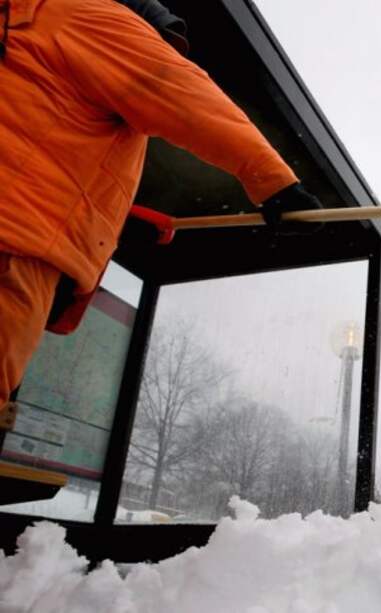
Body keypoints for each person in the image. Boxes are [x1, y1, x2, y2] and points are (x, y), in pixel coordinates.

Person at [0, 0, 321, 427]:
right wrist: (276, 185)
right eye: (161, 44)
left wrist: (112, 226)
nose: (160, 52)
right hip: (12, 250)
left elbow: (33, 146)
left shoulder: (27, 33)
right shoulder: (94, 16)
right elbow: (179, 90)